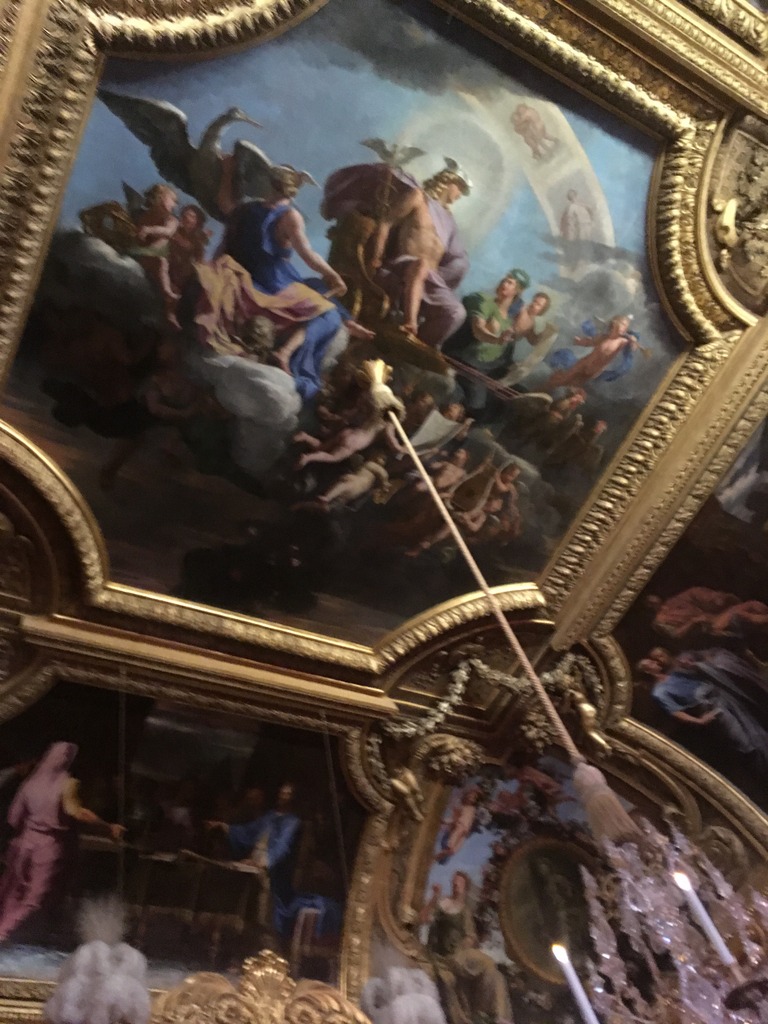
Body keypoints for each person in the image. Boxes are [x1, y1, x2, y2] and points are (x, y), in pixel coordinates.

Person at [222, 165, 373, 401]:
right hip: (273, 282)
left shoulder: (248, 209)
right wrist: (333, 275)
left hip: (246, 276)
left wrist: (227, 170)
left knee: (315, 285)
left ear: (271, 184)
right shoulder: (289, 216)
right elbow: (307, 255)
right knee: (327, 311)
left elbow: (224, 204)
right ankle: (286, 352)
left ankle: (349, 321)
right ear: (293, 190)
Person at [322, 159, 471, 347]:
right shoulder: (418, 197)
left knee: (456, 312)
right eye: (459, 188)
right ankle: (409, 324)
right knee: (421, 265)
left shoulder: (449, 222)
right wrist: (376, 256)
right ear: (448, 182)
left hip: (431, 279)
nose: (459, 194)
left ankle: (416, 347)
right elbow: (386, 223)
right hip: (402, 268)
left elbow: (453, 258)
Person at [0, 742, 125, 942]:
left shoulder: (30, 783)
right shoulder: (66, 784)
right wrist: (106, 826)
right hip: (46, 846)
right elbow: (76, 811)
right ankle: (3, 931)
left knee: (10, 890)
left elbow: (14, 817)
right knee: (33, 897)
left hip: (21, 843)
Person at [636, 647, 768, 780]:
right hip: (712, 707)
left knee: (754, 729)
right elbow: (675, 712)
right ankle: (762, 769)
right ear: (647, 671)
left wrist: (692, 666)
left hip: (721, 696)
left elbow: (702, 672)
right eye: (651, 663)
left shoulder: (674, 674)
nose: (656, 663)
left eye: (655, 659)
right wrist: (699, 721)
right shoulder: (659, 692)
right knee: (743, 742)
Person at [420, 871, 512, 1024]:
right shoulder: (442, 903)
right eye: (455, 882)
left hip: (460, 954)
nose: (457, 885)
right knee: (485, 964)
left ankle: (495, 1015)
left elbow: (470, 935)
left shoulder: (464, 911)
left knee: (491, 968)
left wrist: (467, 943)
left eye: (460, 883)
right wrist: (434, 896)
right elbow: (423, 918)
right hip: (442, 957)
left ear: (465, 887)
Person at [443, 272, 531, 419]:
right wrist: (497, 339)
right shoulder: (483, 301)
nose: (504, 283)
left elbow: (503, 359)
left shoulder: (509, 323)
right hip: (463, 361)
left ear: (517, 291)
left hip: (482, 372)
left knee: (508, 399)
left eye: (510, 282)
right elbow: (478, 330)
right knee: (473, 401)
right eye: (504, 280)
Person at [545, 315, 641, 391]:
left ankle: (557, 396)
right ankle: (546, 388)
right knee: (565, 378)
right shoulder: (604, 337)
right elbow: (590, 342)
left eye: (626, 326)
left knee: (574, 384)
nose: (624, 328)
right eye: (623, 324)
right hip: (584, 362)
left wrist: (633, 341)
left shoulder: (622, 341)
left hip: (594, 370)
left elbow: (633, 346)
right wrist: (580, 342)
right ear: (614, 323)